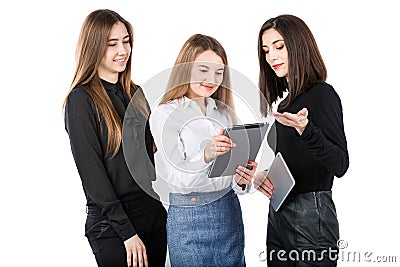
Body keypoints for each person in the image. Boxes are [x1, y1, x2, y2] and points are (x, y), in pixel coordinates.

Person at [63, 9, 167, 267]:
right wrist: (127, 232)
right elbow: (92, 174)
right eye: (112, 44)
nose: (123, 50)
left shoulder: (136, 93)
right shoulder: (81, 100)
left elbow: (151, 158)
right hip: (113, 225)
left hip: (152, 213)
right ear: (94, 47)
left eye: (126, 41)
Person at [149, 34, 257, 266]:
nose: (212, 79)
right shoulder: (164, 115)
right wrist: (206, 155)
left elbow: (232, 182)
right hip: (188, 218)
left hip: (228, 213)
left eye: (219, 72)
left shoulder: (225, 113)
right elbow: (179, 180)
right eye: (203, 70)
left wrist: (242, 179)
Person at [255, 14, 349, 266]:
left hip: (311, 215)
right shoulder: (285, 103)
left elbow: (340, 165)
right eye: (266, 50)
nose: (271, 56)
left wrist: (306, 130)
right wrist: (264, 175)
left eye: (279, 46)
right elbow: (295, 161)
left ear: (297, 45)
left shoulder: (322, 94)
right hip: (278, 211)